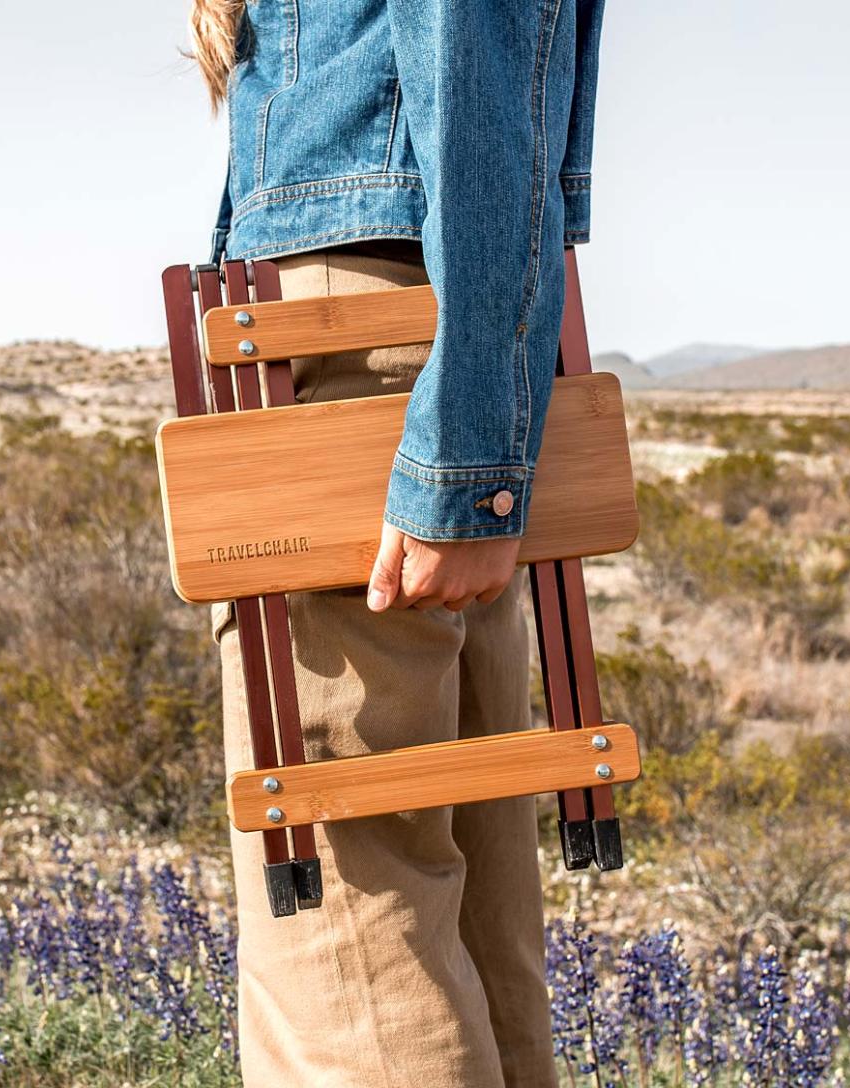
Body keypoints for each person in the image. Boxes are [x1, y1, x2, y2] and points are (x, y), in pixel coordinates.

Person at [190, 2, 605, 1085]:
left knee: (347, 927)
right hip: (423, 335)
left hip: (359, 343)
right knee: (465, 909)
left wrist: (466, 459)